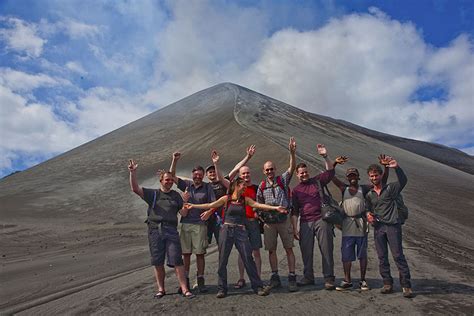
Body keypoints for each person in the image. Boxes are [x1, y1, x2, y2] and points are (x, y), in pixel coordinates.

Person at [186, 177, 286, 298]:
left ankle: (258, 287)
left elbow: (258, 205)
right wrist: (193, 206)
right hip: (226, 230)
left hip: (240, 230)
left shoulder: (245, 200)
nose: (245, 187)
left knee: (248, 258)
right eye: (243, 185)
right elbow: (210, 205)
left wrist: (276, 208)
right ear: (236, 185)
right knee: (222, 260)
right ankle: (222, 288)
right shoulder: (226, 199)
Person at [128, 159, 195, 299]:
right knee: (157, 261)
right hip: (155, 230)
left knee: (177, 260)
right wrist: (133, 173)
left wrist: (186, 202)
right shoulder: (153, 194)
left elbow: (183, 213)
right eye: (167, 180)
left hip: (171, 230)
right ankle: (161, 289)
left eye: (171, 180)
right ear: (161, 181)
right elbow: (135, 189)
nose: (170, 182)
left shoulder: (176, 195)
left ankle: (184, 288)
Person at [332, 155, 390, 291]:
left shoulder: (364, 189)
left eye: (354, 175)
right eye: (350, 175)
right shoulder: (343, 188)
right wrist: (334, 163)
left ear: (358, 177)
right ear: (347, 178)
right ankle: (347, 280)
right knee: (346, 255)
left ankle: (363, 280)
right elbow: (330, 176)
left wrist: (386, 167)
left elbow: (382, 182)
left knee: (362, 254)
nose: (352, 177)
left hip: (361, 225)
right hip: (347, 225)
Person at [214, 146, 262, 289]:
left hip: (251, 223)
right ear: (240, 176)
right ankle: (241, 278)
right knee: (242, 253)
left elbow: (260, 204)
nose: (246, 176)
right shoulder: (233, 189)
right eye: (243, 174)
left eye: (247, 173)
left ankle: (258, 280)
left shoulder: (256, 188)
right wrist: (216, 163)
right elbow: (222, 177)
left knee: (254, 252)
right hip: (236, 224)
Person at [291, 144, 338, 290]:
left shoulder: (317, 181)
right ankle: (308, 277)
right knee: (306, 250)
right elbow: (295, 211)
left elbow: (330, 171)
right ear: (297, 175)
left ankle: (329, 278)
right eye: (301, 173)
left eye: (305, 172)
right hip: (305, 222)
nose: (304, 174)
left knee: (326, 249)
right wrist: (295, 228)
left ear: (308, 172)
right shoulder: (296, 190)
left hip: (321, 220)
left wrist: (325, 156)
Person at [366, 157, 414, 298]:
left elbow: (403, 181)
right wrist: (368, 213)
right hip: (379, 228)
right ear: (369, 177)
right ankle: (387, 283)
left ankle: (406, 286)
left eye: (376, 175)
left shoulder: (391, 188)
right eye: (372, 176)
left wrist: (396, 167)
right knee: (382, 257)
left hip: (393, 226)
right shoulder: (370, 194)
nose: (374, 178)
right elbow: (368, 207)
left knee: (398, 256)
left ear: (381, 175)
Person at [169, 152, 216, 293]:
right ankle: (186, 281)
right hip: (185, 224)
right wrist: (174, 160)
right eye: (195, 174)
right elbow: (172, 176)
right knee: (186, 254)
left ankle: (200, 280)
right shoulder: (187, 186)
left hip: (200, 224)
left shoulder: (208, 187)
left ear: (203, 176)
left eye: (200, 174)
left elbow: (214, 203)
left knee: (200, 253)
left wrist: (209, 212)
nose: (198, 176)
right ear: (192, 175)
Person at [257, 137, 298, 292]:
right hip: (269, 222)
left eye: (271, 169)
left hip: (284, 220)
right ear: (264, 171)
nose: (269, 172)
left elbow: (292, 168)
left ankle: (292, 276)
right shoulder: (261, 186)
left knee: (289, 248)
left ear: (275, 169)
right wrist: (262, 216)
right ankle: (275, 277)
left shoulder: (282, 180)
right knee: (271, 249)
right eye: (267, 170)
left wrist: (292, 153)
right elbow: (257, 203)